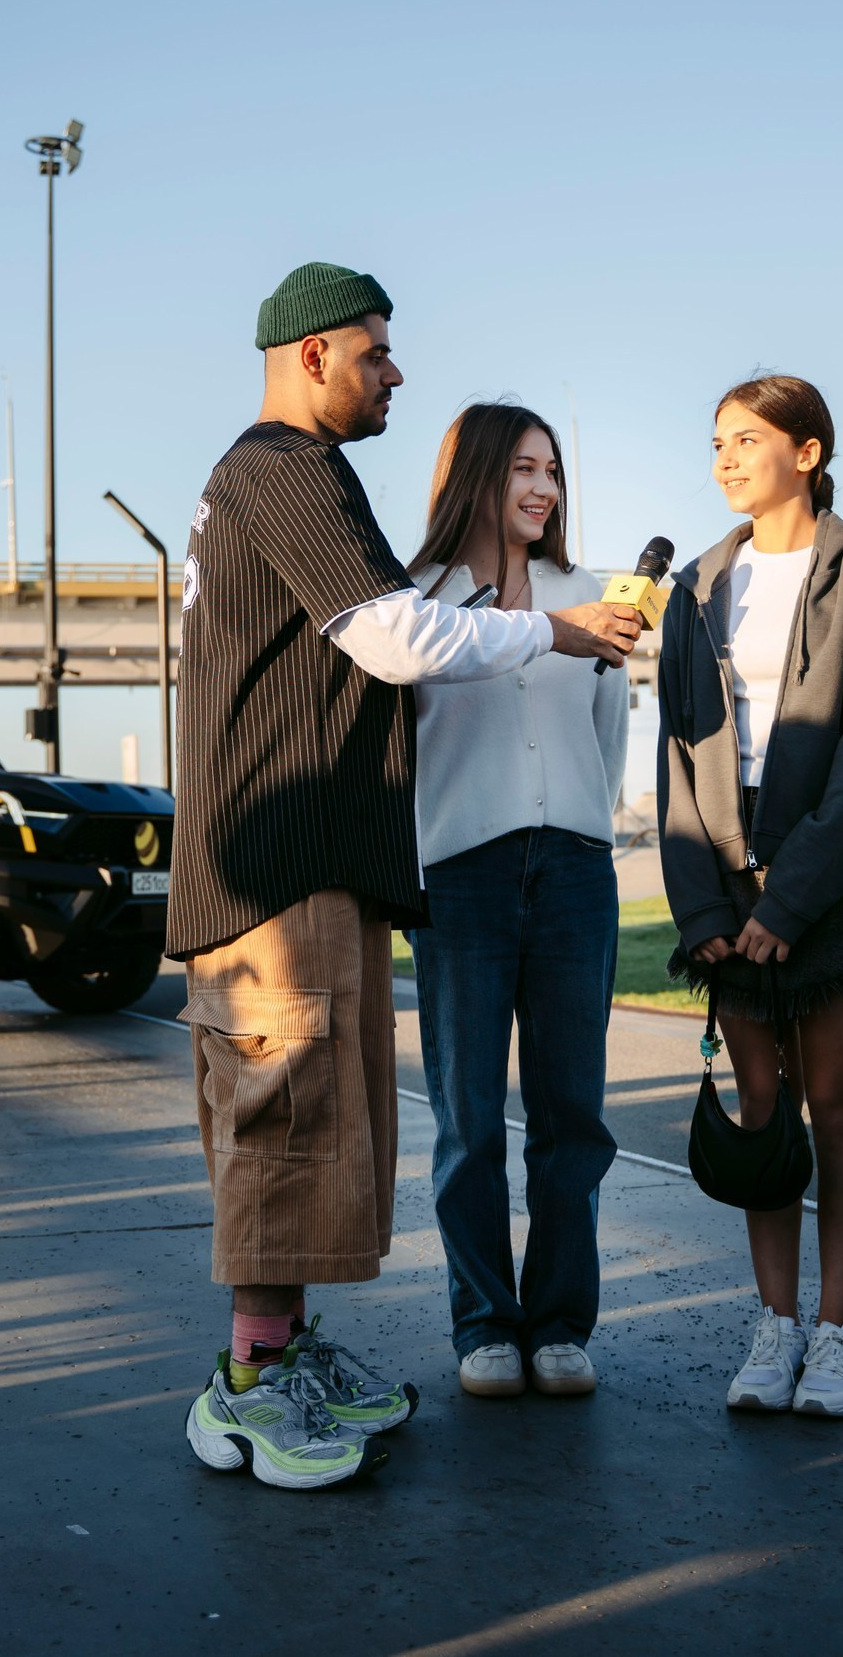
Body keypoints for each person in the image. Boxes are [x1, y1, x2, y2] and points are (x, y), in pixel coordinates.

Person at [173, 263, 642, 1490]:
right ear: (314, 354)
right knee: (278, 1115)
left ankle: (281, 1352)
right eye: (376, 352)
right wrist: (557, 630)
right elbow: (391, 637)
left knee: (316, 1121)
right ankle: (252, 1388)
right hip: (274, 862)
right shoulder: (280, 470)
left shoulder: (290, 478)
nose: (394, 371)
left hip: (315, 863)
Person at [657, 374, 843, 1419]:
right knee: (761, 1109)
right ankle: (773, 1328)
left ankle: (836, 1334)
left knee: (839, 1102)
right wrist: (707, 914)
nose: (724, 458)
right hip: (727, 871)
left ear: (806, 452)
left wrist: (792, 902)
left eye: (745, 439)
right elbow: (676, 758)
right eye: (715, 441)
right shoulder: (696, 584)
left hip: (839, 875)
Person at [405, 403, 628, 1402]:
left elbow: (607, 735)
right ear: (475, 477)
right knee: (468, 1117)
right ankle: (485, 1321)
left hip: (576, 869)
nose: (541, 488)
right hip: (461, 874)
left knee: (570, 1112)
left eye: (552, 469)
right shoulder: (417, 602)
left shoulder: (591, 596)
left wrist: (584, 824)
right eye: (520, 469)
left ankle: (560, 1322)